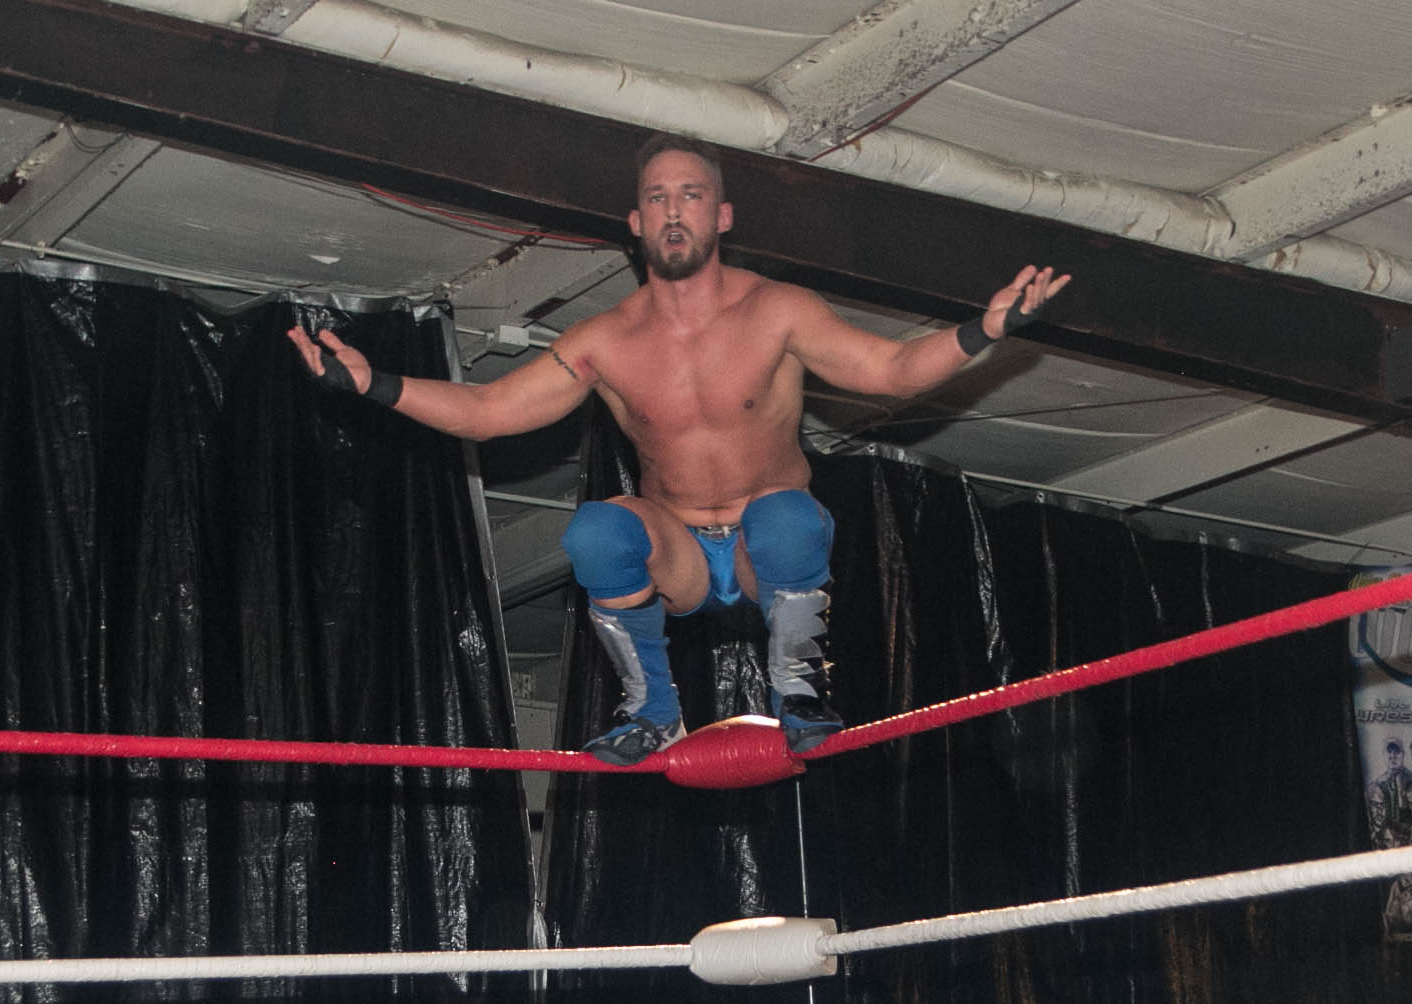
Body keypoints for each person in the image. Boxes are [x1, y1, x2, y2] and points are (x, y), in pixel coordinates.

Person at [287, 133, 1069, 765]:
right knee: (596, 531)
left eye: (689, 195)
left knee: (787, 518)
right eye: (657, 197)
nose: (672, 211)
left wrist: (985, 331)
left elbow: (892, 371)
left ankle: (798, 688)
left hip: (770, 550)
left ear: (721, 216)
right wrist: (374, 384)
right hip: (680, 556)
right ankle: (653, 712)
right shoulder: (606, 339)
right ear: (635, 223)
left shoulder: (776, 311)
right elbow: (491, 411)